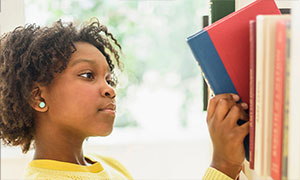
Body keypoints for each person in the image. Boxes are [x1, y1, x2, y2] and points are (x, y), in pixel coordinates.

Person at [0, 19, 249, 180]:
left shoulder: (109, 166)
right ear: (38, 96)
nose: (110, 90)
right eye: (88, 75)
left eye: (109, 79)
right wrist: (223, 164)